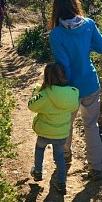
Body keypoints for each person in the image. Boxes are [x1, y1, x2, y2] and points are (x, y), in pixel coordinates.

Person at [48, 0, 102, 181]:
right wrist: (84, 46)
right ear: (75, 4)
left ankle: (64, 158)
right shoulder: (88, 24)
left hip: (69, 88)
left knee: (66, 124)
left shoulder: (56, 33)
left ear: (56, 9)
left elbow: (63, 65)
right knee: (91, 125)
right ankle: (97, 168)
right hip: (90, 82)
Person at [27, 62, 80, 194]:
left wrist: (36, 91)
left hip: (44, 132)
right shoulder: (71, 93)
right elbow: (74, 107)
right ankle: (61, 184)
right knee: (59, 157)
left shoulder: (44, 93)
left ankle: (38, 171)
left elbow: (31, 106)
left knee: (39, 149)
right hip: (61, 134)